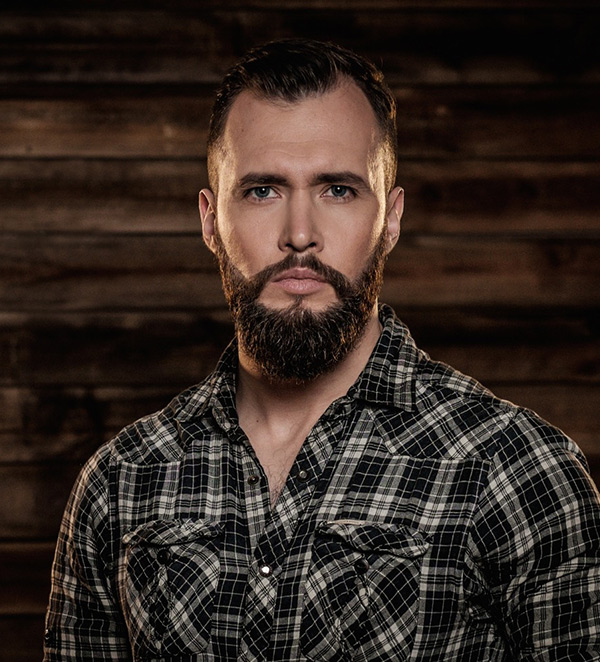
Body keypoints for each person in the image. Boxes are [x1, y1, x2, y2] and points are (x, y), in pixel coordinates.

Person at [44, 38, 600, 662]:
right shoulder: (122, 480)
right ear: (209, 220)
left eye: (337, 189)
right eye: (263, 190)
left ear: (391, 218)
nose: (299, 235)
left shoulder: (516, 470)